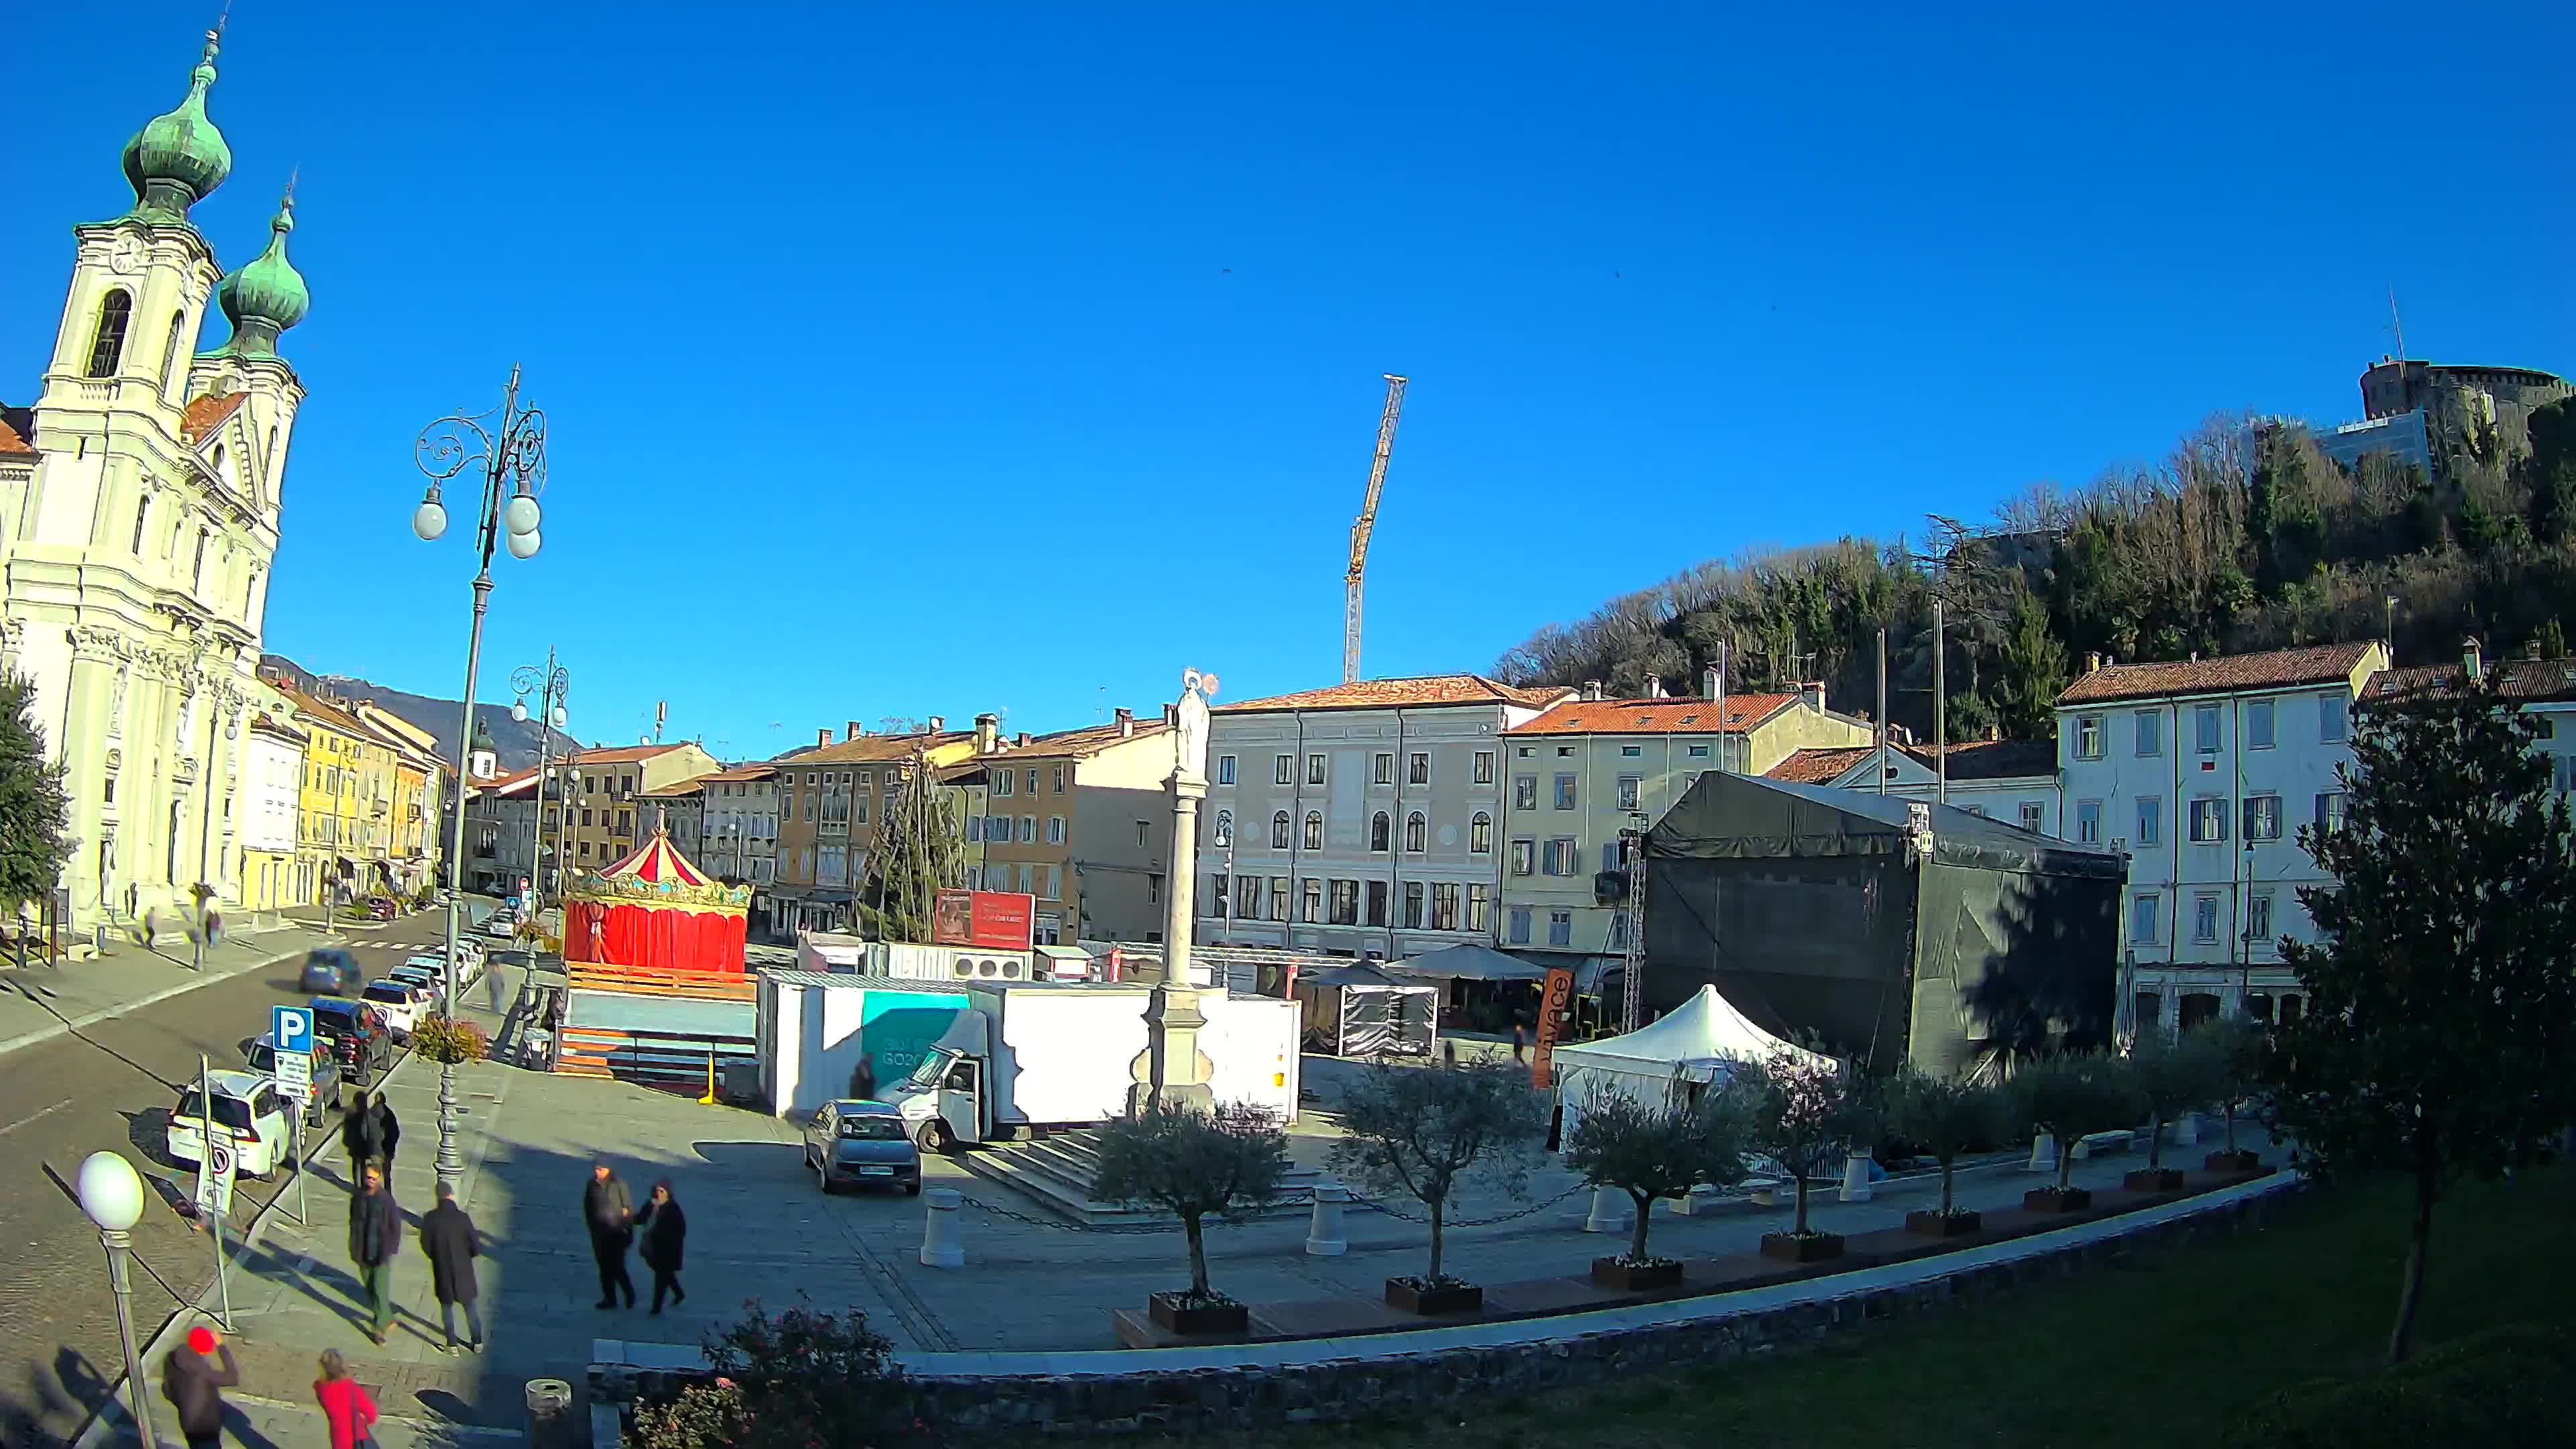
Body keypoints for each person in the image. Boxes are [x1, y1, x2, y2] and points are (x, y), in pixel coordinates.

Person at [419, 1181, 483, 1354]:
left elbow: (425, 1245)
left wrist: (437, 1256)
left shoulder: (430, 1219)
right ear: (451, 1195)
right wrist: (466, 1256)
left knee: (447, 1308)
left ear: (438, 1196)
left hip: (443, 1270)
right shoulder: (463, 1218)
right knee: (470, 1308)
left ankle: (452, 1345)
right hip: (464, 1271)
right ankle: (477, 1342)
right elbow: (476, 1247)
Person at [161, 1325, 238, 1449]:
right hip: (204, 1427)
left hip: (187, 1422)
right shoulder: (201, 1371)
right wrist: (221, 1347)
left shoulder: (173, 1358)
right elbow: (232, 1377)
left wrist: (184, 1403)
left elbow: (167, 1391)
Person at [347, 1162, 400, 1344]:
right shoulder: (358, 1196)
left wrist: (390, 1250)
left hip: (380, 1253)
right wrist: (353, 1245)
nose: (369, 1181)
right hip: (362, 1251)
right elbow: (353, 1221)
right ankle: (387, 1317)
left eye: (373, 1178)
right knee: (370, 1289)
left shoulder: (386, 1201)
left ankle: (378, 1330)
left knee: (380, 1289)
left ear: (379, 1179)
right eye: (367, 1177)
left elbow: (395, 1227)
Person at [582, 1162, 635, 1309]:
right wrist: (592, 1227)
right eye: (596, 1169)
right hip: (599, 1234)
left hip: (617, 1233)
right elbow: (588, 1207)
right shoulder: (592, 1184)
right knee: (604, 1268)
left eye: (601, 1169)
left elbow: (628, 1211)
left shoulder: (619, 1185)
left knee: (617, 1267)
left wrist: (629, 1233)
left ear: (609, 1169)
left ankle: (629, 1293)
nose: (598, 1172)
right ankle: (609, 1299)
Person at [634, 1180, 688, 1315]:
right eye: (657, 1190)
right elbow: (640, 1219)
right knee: (664, 1273)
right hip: (651, 1246)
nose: (659, 1194)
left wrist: (667, 1239)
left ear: (668, 1193)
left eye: (662, 1191)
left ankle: (656, 1307)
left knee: (661, 1276)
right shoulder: (650, 1205)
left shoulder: (673, 1208)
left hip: (667, 1249)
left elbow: (680, 1230)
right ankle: (679, 1293)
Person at [313, 1348, 378, 1449]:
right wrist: (362, 1421)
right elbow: (372, 1416)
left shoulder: (320, 1388)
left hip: (337, 1438)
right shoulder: (351, 1388)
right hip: (356, 1437)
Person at [339, 1094, 381, 1175]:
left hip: (356, 1143)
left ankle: (357, 1183)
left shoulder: (351, 1114)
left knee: (356, 1163)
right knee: (361, 1163)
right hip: (362, 1143)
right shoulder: (368, 1114)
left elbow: (346, 1127)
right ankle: (361, 1182)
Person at [369, 1091, 401, 1173]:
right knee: (386, 1172)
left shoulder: (371, 1113)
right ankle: (386, 1186)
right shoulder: (390, 1114)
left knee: (374, 1173)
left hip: (378, 1149)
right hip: (387, 1148)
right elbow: (396, 1132)